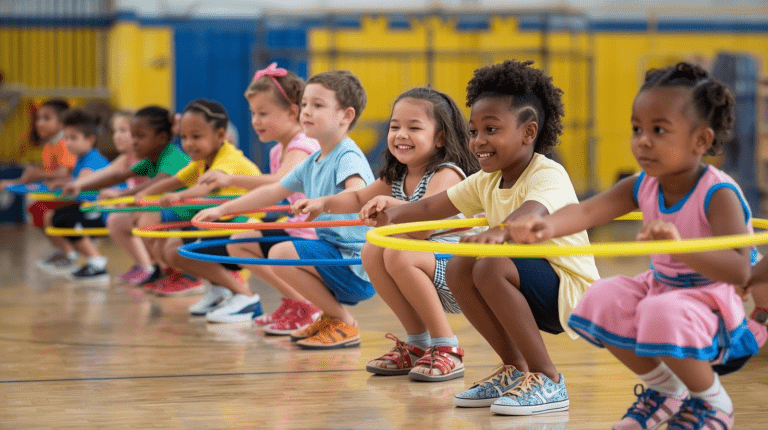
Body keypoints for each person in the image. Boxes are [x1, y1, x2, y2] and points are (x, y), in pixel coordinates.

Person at [507, 62, 761, 429]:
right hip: (664, 290)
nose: (642, 140)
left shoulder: (718, 194)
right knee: (602, 297)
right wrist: (543, 226)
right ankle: (666, 390)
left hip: (713, 304)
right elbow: (589, 210)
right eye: (637, 129)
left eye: (658, 130)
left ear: (701, 141)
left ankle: (714, 403)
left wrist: (681, 245)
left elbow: (740, 270)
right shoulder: (644, 184)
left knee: (661, 311)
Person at [363, 60, 598, 414]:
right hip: (525, 282)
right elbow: (429, 209)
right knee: (460, 267)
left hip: (569, 290)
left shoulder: (548, 173)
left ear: (528, 133)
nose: (478, 141)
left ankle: (548, 378)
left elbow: (530, 217)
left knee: (489, 266)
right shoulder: (486, 180)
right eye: (473, 131)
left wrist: (496, 233)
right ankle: (513, 369)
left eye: (491, 130)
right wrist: (389, 213)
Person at [294, 87, 479, 380]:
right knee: (371, 249)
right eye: (395, 127)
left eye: (414, 127)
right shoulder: (398, 176)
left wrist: (393, 205)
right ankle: (418, 344)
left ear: (440, 137)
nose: (401, 134)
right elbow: (356, 199)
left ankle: (447, 347)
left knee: (398, 250)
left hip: (459, 272)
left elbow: (424, 226)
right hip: (424, 265)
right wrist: (324, 202)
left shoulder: (447, 173)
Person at [193, 70, 375, 347]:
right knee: (277, 250)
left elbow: (359, 192)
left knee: (282, 251)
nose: (306, 112)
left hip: (354, 264)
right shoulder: (313, 160)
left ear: (346, 116)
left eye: (318, 105)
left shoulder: (347, 155)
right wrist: (222, 210)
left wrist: (323, 202)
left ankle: (345, 323)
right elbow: (272, 191)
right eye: (304, 105)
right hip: (333, 255)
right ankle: (328, 316)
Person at [187, 63, 321, 322]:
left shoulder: (302, 144)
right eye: (253, 113)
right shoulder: (276, 151)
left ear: (293, 112)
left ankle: (304, 306)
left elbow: (281, 181)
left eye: (263, 113)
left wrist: (230, 179)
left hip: (316, 228)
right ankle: (297, 303)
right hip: (299, 223)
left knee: (243, 238)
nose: (255, 121)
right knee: (242, 238)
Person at [133, 99, 261, 298]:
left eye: (196, 136)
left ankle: (243, 294)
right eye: (183, 137)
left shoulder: (229, 158)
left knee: (178, 248)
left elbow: (206, 185)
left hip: (242, 225)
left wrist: (179, 195)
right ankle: (221, 288)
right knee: (172, 249)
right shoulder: (202, 161)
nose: (188, 144)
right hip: (218, 221)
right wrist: (144, 194)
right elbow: (176, 180)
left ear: (220, 135)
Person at [62, 106, 190, 286]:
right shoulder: (151, 160)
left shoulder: (171, 155)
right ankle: (159, 269)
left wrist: (122, 195)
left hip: (187, 210)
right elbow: (117, 176)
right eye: (133, 135)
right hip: (167, 210)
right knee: (118, 222)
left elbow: (160, 182)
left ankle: (184, 275)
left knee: (146, 219)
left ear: (160, 138)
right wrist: (80, 186)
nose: (134, 141)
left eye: (139, 136)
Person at [40, 109, 110, 282]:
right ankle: (71, 257)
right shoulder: (81, 158)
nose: (68, 143)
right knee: (52, 215)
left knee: (64, 218)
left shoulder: (93, 160)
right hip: (91, 208)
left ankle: (97, 263)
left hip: (106, 212)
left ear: (90, 140)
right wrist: (62, 184)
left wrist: (65, 186)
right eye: (66, 138)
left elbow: (81, 184)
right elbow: (76, 183)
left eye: (74, 138)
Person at [90, 110, 155, 284]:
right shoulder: (126, 158)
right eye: (115, 131)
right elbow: (104, 174)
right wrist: (77, 184)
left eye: (123, 130)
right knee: (116, 219)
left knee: (118, 218)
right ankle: (144, 265)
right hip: (143, 209)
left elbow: (150, 190)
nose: (117, 136)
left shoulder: (146, 157)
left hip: (157, 210)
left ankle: (147, 267)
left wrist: (117, 196)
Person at [0, 99, 77, 241]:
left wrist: (37, 173)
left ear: (62, 123)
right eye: (38, 118)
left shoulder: (64, 144)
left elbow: (64, 173)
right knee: (35, 210)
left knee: (41, 211)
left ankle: (70, 252)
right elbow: (42, 176)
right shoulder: (48, 147)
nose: (39, 123)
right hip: (58, 193)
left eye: (46, 118)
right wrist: (13, 182)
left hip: (73, 195)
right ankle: (66, 252)